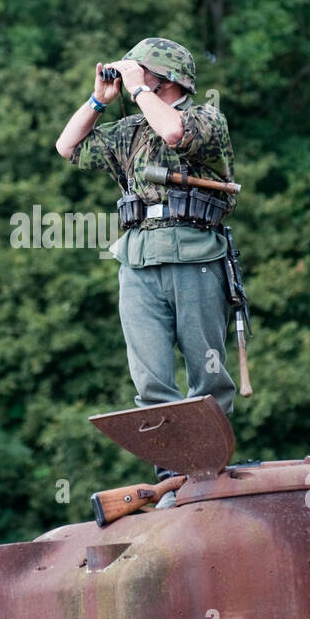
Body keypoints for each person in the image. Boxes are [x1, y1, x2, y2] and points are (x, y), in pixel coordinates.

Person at [55, 38, 236, 506]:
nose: (132, 75)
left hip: (195, 255)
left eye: (142, 70)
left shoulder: (204, 118)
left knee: (207, 374)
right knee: (151, 382)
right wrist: (99, 99)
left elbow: (174, 133)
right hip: (137, 260)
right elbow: (67, 145)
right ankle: (171, 476)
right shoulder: (130, 131)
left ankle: (206, 472)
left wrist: (139, 91)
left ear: (168, 78)